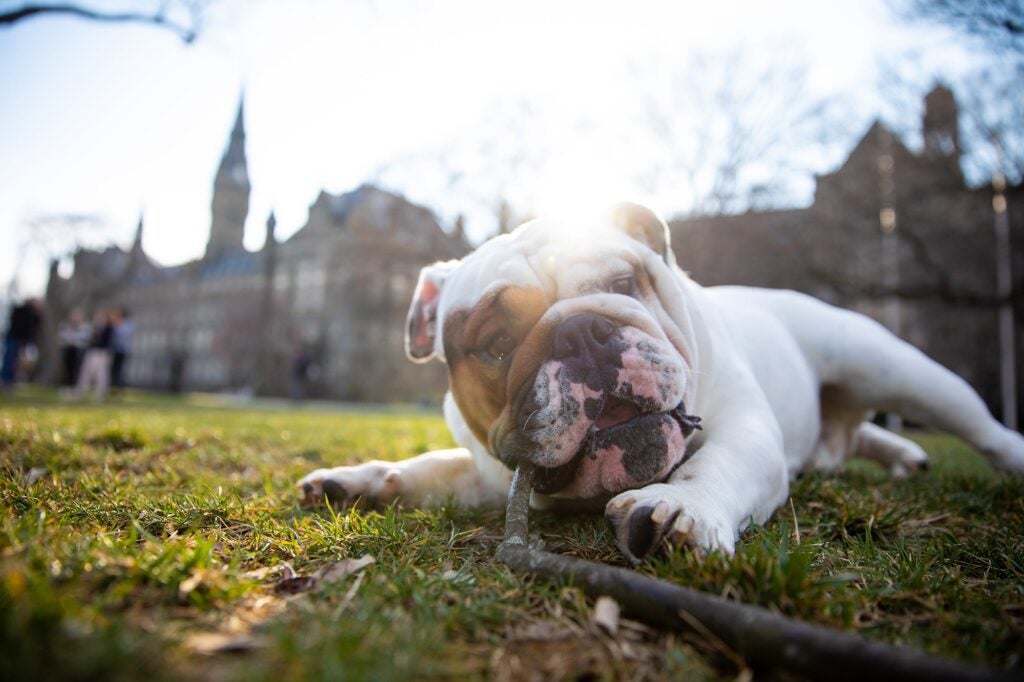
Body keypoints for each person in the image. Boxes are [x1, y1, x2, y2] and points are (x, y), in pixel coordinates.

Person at [1, 298, 43, 387]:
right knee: (9, 359)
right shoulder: (21, 311)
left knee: (18, 361)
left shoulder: (36, 316)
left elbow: (34, 331)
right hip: (13, 337)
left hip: (23, 341)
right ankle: (6, 379)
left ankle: (12, 380)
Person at [74, 309, 114, 400]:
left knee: (101, 374)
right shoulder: (92, 328)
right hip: (92, 352)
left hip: (102, 353)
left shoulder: (108, 328)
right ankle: (81, 391)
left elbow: (104, 341)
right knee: (86, 372)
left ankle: (101, 393)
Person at [57, 308, 91, 387]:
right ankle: (66, 385)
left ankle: (77, 386)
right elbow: (62, 338)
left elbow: (85, 339)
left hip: (79, 350)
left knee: (78, 369)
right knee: (67, 369)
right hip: (68, 349)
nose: (75, 318)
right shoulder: (65, 326)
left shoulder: (85, 327)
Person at [110, 306, 134, 391]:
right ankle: (114, 385)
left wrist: (116, 325)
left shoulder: (127, 324)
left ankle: (118, 386)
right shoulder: (121, 323)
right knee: (114, 369)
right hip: (117, 350)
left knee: (119, 369)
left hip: (122, 350)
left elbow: (121, 335)